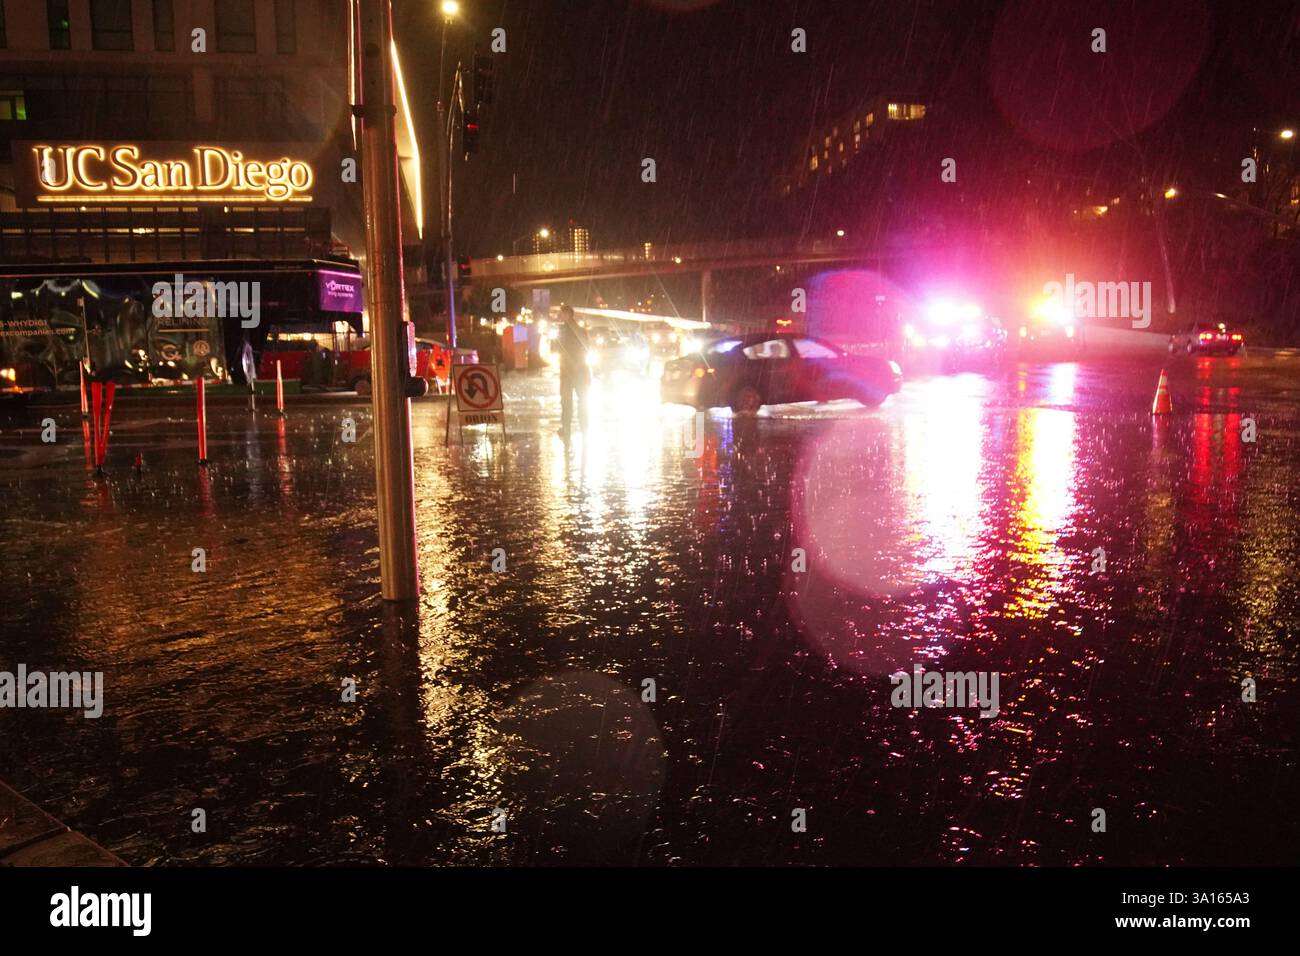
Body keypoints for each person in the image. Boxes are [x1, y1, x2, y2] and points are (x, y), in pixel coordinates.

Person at [554, 305, 590, 435]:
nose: (559, 316)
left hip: (568, 372)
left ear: (567, 314)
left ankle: (566, 428)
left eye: (561, 314)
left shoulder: (562, 331)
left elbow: (557, 349)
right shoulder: (581, 330)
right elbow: (587, 348)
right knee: (582, 399)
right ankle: (584, 426)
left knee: (566, 401)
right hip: (581, 371)